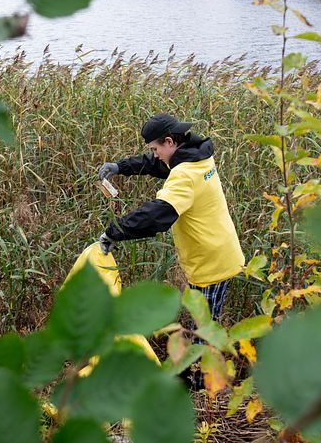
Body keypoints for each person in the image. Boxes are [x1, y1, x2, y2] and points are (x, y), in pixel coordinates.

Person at [97, 113, 245, 323]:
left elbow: (156, 215)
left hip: (211, 264)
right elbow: (157, 164)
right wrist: (121, 167)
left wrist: (114, 232)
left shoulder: (185, 175)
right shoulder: (197, 156)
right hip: (218, 251)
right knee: (205, 324)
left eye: (155, 149)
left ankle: (204, 355)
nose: (155, 155)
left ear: (169, 141)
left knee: (203, 331)